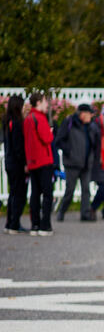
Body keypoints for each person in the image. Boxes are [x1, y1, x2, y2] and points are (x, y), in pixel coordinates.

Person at [55, 103, 99, 222]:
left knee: (86, 190)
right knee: (70, 190)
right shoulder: (69, 123)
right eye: (89, 114)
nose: (91, 116)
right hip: (72, 163)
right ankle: (62, 211)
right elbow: (58, 140)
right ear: (83, 114)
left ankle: (85, 214)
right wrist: (69, 151)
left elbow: (95, 142)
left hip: (86, 163)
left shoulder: (90, 126)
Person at [23, 93, 55, 236]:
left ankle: (35, 224)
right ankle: (45, 225)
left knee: (35, 193)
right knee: (47, 194)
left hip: (32, 161)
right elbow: (47, 138)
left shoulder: (28, 119)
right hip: (43, 160)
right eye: (45, 102)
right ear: (39, 102)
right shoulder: (39, 118)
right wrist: (50, 132)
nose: (47, 105)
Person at [3, 94, 29, 235]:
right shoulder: (17, 123)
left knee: (13, 193)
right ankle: (15, 223)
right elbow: (18, 146)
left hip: (9, 161)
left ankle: (9, 222)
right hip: (17, 163)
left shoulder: (7, 121)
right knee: (19, 194)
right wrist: (25, 163)